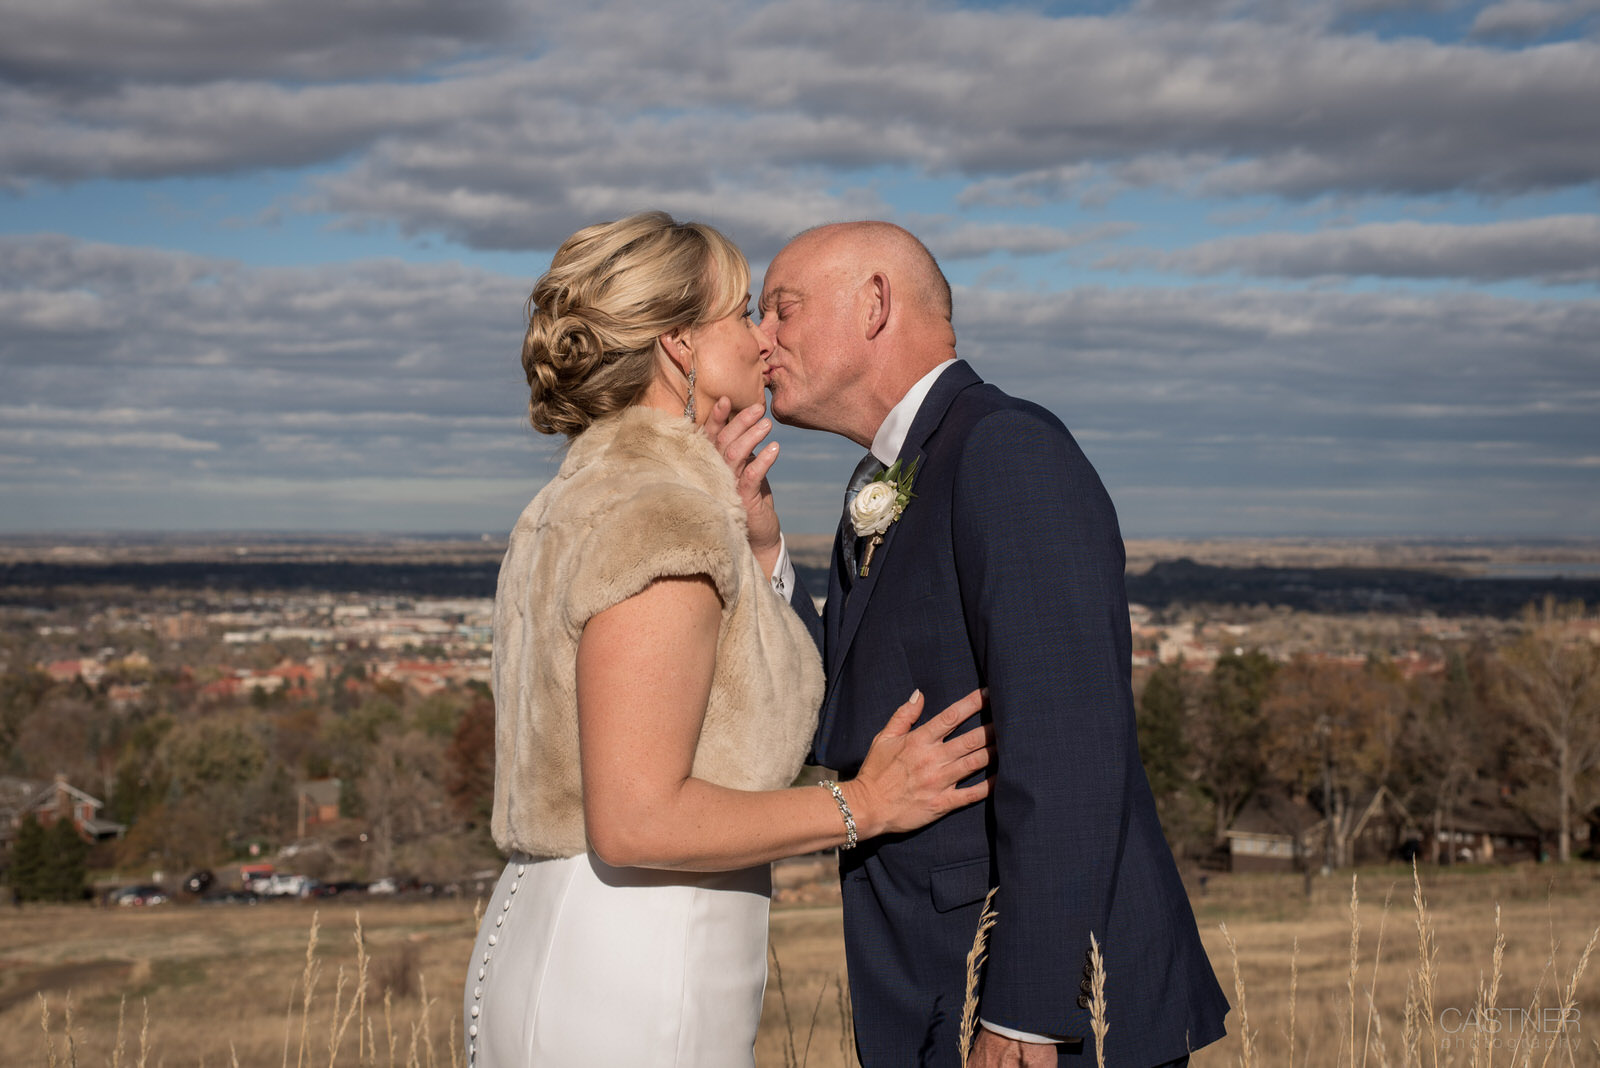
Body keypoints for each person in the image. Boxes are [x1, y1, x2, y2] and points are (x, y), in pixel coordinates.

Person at [465, 212, 994, 1068]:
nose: (762, 339)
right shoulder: (661, 516)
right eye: (742, 311)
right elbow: (637, 819)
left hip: (575, 941)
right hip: (640, 965)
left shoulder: (589, 493)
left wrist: (755, 545)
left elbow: (729, 709)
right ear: (678, 344)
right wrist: (867, 806)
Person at [713, 221, 1230, 1066]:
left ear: (875, 303)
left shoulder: (1006, 450)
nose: (759, 338)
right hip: (930, 982)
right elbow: (839, 716)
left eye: (783, 309)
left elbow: (1070, 751)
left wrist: (1028, 1010)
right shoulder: (880, 480)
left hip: (1032, 1009)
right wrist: (768, 551)